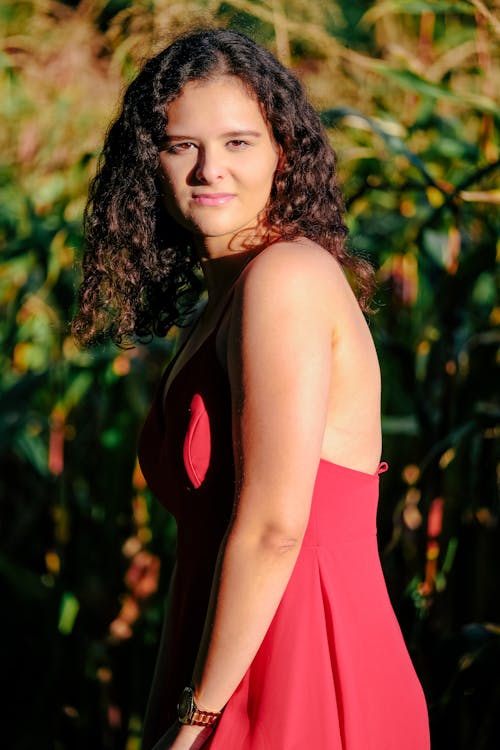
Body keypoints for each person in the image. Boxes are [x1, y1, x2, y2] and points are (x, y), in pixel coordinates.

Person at [73, 27, 430, 750]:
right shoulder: (220, 310)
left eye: (238, 142)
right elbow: (201, 552)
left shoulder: (286, 279)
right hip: (227, 659)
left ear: (283, 154)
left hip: (306, 662)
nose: (210, 169)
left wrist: (195, 719)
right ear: (153, 163)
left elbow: (275, 529)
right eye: (182, 145)